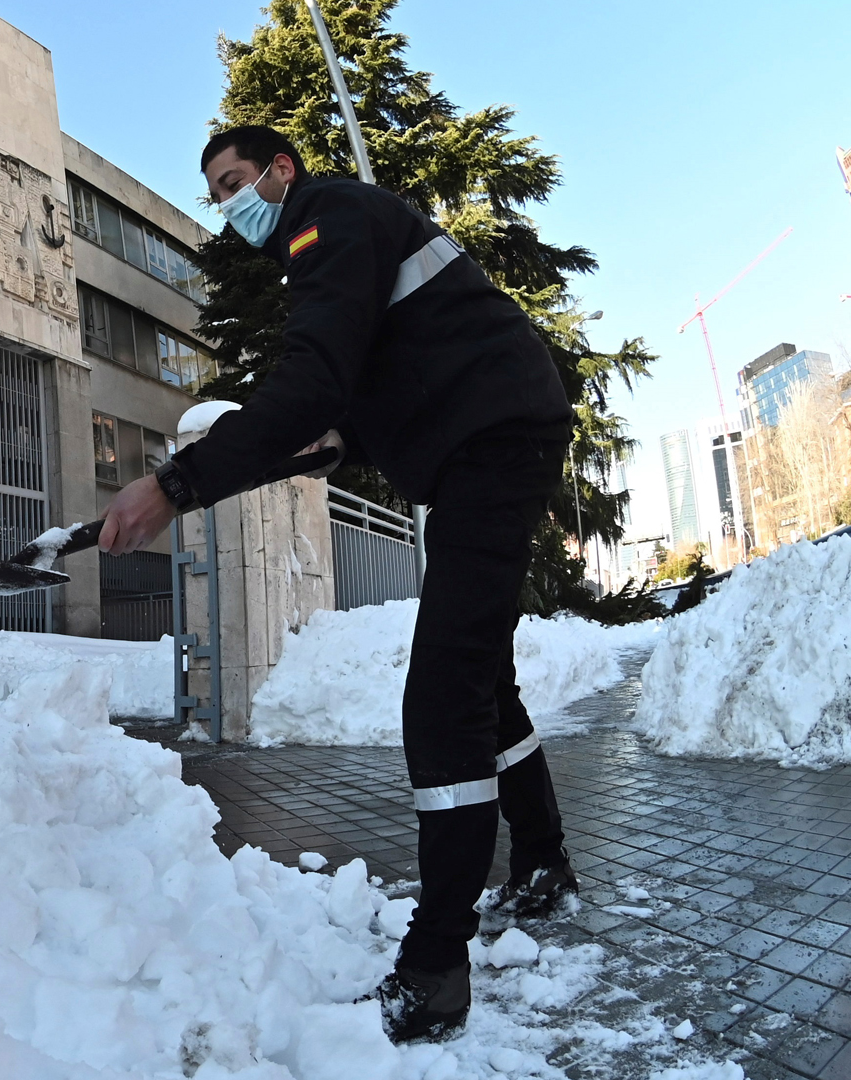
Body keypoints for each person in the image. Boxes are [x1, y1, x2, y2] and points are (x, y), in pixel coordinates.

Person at [101, 125, 579, 1043]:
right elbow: (369, 374)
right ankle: (546, 861)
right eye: (216, 194)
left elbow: (316, 374)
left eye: (236, 181)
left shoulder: (327, 215)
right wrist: (343, 440)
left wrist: (173, 485)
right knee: (482, 682)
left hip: (490, 444)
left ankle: (436, 967)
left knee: (441, 703)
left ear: (282, 171)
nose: (229, 205)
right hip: (485, 442)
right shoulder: (340, 236)